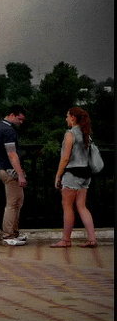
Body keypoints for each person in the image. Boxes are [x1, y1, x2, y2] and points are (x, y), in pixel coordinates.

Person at [51, 106, 99, 248]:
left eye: (67, 116)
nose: (66, 118)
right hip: (85, 174)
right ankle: (92, 239)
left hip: (72, 173)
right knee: (82, 206)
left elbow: (65, 158)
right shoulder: (86, 134)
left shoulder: (70, 134)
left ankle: (66, 240)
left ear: (73, 117)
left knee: (67, 207)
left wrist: (58, 176)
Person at [0, 105, 29, 246]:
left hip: (0, 167)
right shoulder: (8, 131)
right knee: (13, 203)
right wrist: (20, 174)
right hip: (9, 170)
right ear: (12, 115)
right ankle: (9, 235)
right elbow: (12, 154)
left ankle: (13, 233)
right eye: (20, 119)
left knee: (17, 201)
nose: (21, 122)